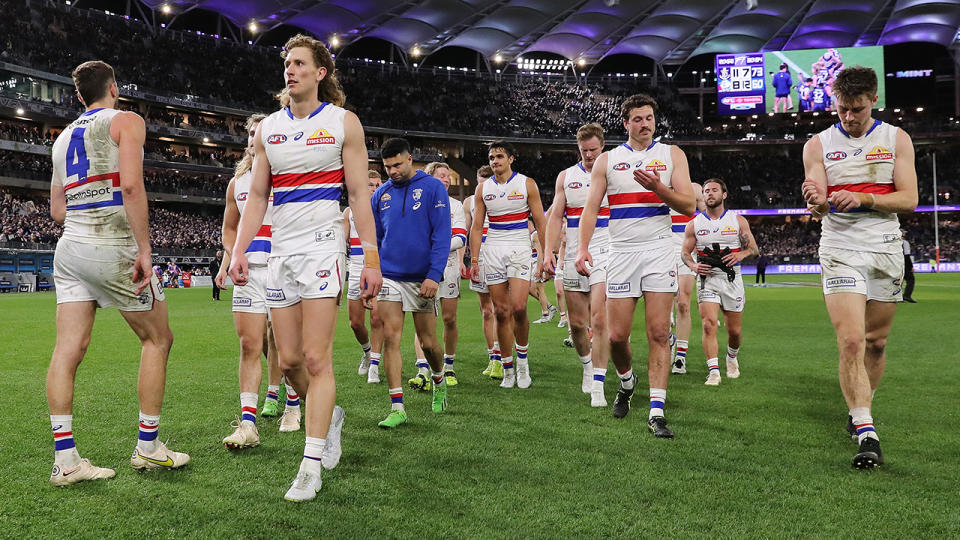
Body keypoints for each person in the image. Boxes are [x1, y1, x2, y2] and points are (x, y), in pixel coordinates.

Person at [229, 34, 382, 501]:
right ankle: (328, 413)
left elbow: (357, 195)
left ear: (321, 73)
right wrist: (238, 250)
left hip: (322, 248)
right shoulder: (268, 130)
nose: (289, 70)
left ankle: (311, 465)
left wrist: (370, 255)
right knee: (290, 361)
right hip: (279, 253)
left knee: (317, 359)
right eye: (286, 64)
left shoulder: (342, 123)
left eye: (299, 63)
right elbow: (257, 197)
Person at [46, 60, 187, 486]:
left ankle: (66, 460)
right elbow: (130, 186)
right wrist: (144, 249)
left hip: (70, 248)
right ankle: (147, 448)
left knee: (68, 351)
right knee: (158, 338)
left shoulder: (62, 138)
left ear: (77, 96)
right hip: (113, 246)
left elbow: (56, 211)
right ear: (114, 87)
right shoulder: (126, 120)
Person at [801, 65, 917, 469]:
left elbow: (909, 199)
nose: (849, 117)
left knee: (876, 342)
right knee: (851, 340)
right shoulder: (817, 144)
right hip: (840, 246)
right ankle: (866, 429)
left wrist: (865, 199)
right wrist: (815, 199)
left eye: (857, 109)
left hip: (885, 246)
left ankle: (859, 408)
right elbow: (816, 196)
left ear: (874, 101)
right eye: (842, 109)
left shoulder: (896, 138)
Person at [576, 94, 695, 438]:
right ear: (625, 123)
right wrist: (582, 248)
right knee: (615, 337)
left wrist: (660, 188)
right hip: (622, 253)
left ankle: (657, 410)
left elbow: (688, 206)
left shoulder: (672, 154)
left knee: (659, 333)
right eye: (638, 119)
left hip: (658, 250)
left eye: (649, 118)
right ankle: (627, 382)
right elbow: (591, 208)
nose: (645, 124)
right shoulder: (608, 161)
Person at [215, 113, 293, 450]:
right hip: (249, 273)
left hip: (284, 269)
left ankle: (293, 406)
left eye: (259, 133)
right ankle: (248, 423)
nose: (252, 138)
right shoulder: (237, 183)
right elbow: (229, 228)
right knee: (250, 345)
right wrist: (231, 257)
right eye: (249, 133)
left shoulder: (289, 176)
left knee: (288, 350)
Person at [372, 139, 451, 428]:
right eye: (387, 166)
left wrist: (434, 274)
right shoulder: (380, 195)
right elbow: (377, 240)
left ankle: (439, 378)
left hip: (422, 279)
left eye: (397, 165)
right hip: (390, 276)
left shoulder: (432, 188)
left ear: (410, 159)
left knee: (429, 343)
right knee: (391, 338)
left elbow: (442, 235)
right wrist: (375, 271)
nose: (392, 171)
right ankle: (397, 406)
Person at [469, 141, 548, 389]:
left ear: (511, 159)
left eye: (500, 156)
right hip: (493, 249)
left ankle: (523, 362)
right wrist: (474, 259)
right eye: (492, 157)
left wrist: (546, 254)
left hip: (519, 247)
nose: (495, 161)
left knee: (519, 307)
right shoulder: (483, 189)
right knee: (501, 312)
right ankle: (508, 369)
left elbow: (540, 221)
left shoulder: (526, 184)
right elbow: (478, 226)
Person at [543, 123, 610, 407]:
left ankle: (598, 383)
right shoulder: (566, 177)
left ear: (602, 147)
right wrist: (548, 252)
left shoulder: (612, 172)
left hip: (606, 249)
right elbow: (556, 216)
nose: (589, 155)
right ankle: (586, 366)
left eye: (593, 150)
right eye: (584, 151)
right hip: (572, 254)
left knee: (600, 320)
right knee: (578, 324)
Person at [681, 178, 759, 386]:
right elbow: (685, 253)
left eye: (714, 190)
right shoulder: (694, 224)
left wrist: (741, 255)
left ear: (724, 195)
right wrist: (694, 267)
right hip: (708, 281)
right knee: (708, 325)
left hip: (732, 281)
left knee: (734, 331)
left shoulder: (737, 221)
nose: (709, 193)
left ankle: (732, 357)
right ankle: (713, 372)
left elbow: (754, 249)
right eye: (706, 191)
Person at [409, 161, 465, 388]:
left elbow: (461, 237)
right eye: (441, 175)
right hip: (425, 267)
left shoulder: (456, 206)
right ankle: (423, 369)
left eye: (448, 176)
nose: (446, 179)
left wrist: (436, 247)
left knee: (449, 318)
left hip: (449, 266)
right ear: (431, 177)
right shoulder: (419, 203)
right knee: (423, 320)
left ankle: (448, 366)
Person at [344, 170, 384, 382]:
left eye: (378, 185)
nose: (375, 188)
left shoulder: (386, 209)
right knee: (355, 322)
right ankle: (368, 353)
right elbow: (342, 243)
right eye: (370, 184)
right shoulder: (349, 212)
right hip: (357, 266)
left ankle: (375, 366)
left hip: (379, 266)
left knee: (377, 318)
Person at [463, 165, 502, 379]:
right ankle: (492, 357)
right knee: (486, 310)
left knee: (501, 309)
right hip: (480, 258)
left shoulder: (502, 197)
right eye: (479, 182)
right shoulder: (469, 202)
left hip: (499, 255)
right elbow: (466, 230)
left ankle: (502, 355)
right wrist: (466, 259)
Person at [670, 182, 704, 375]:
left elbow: (709, 216)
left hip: (685, 247)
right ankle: (668, 340)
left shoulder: (695, 189)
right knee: (663, 303)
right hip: (663, 246)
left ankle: (680, 357)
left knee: (683, 303)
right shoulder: (659, 184)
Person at [529, 225, 557, 324]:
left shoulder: (535, 235)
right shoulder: (530, 235)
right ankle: (550, 307)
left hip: (537, 264)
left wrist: (538, 268)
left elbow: (540, 253)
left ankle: (545, 314)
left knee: (540, 289)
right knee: (531, 289)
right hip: (532, 263)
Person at [901, 230, 916, 302]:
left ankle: (897, 297)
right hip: (904, 264)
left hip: (895, 263)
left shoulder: (893, 242)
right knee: (911, 280)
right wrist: (911, 266)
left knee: (898, 281)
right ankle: (907, 295)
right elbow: (907, 255)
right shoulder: (905, 242)